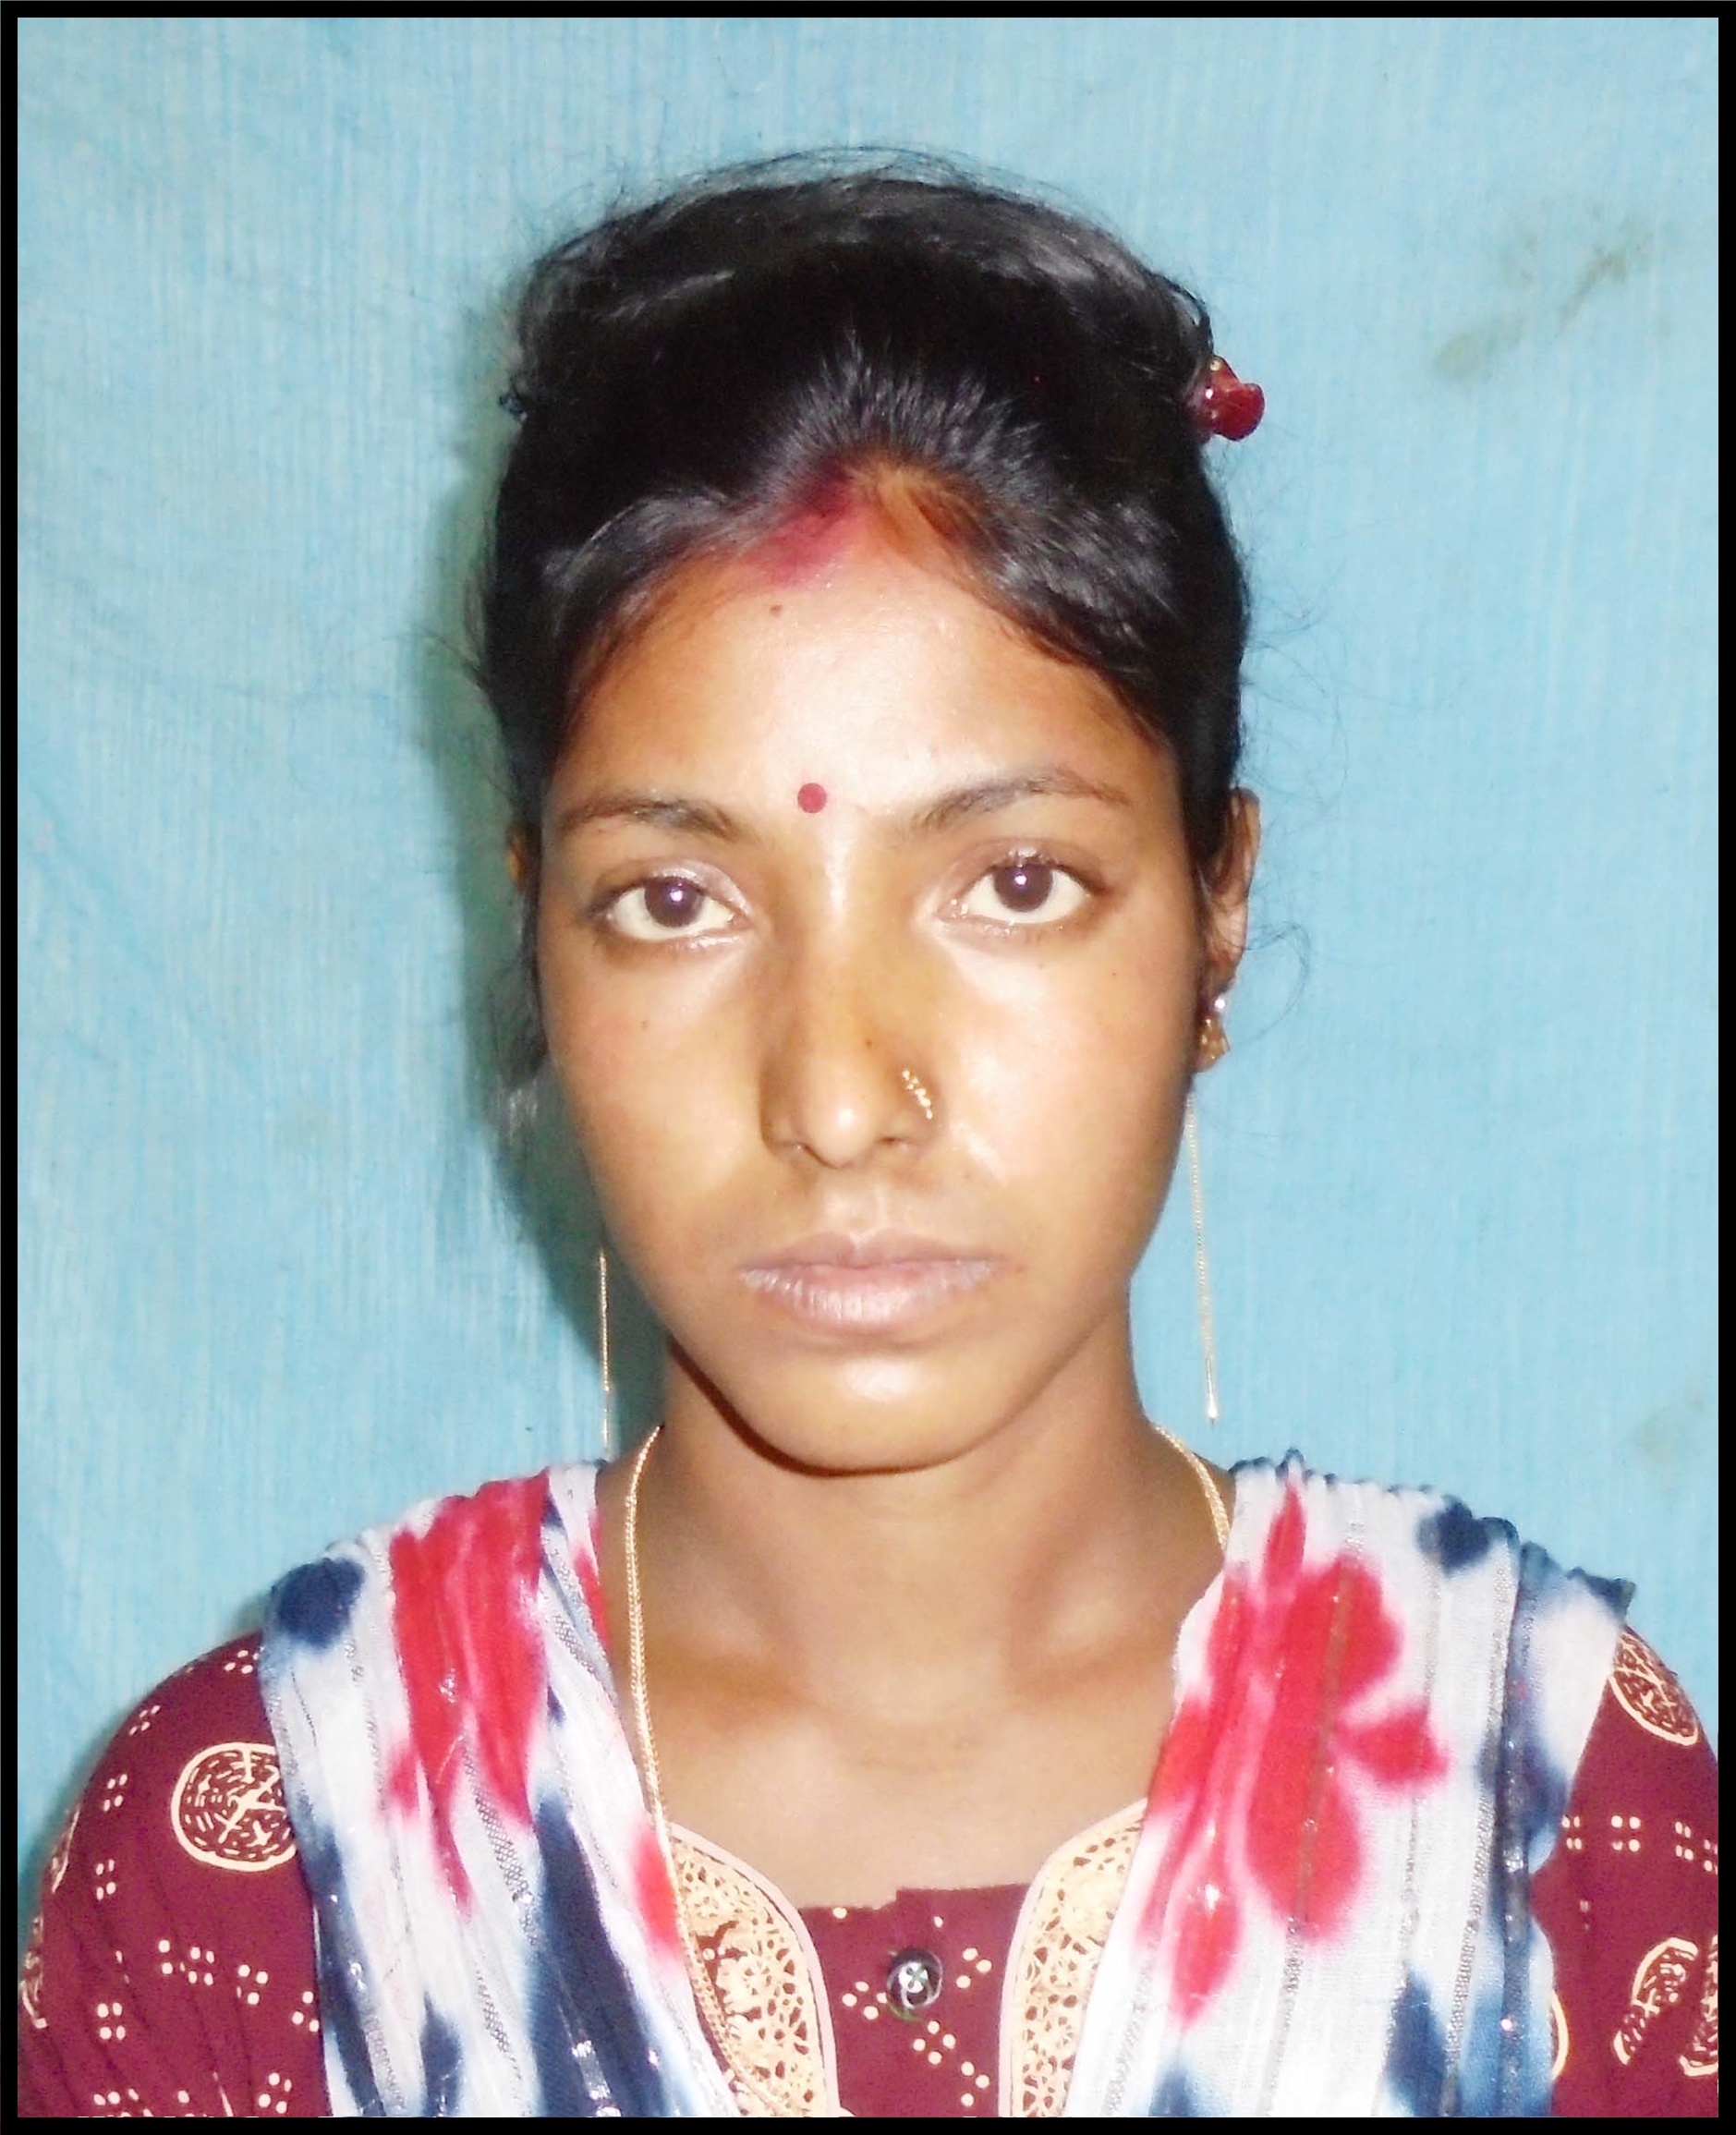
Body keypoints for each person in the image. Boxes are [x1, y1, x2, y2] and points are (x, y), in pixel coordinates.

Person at [17, 152, 1717, 2119]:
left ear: (1216, 906)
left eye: (1013, 883)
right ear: (537, 935)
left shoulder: (1542, 1815)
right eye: (676, 900)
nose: (836, 1096)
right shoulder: (270, 1878)